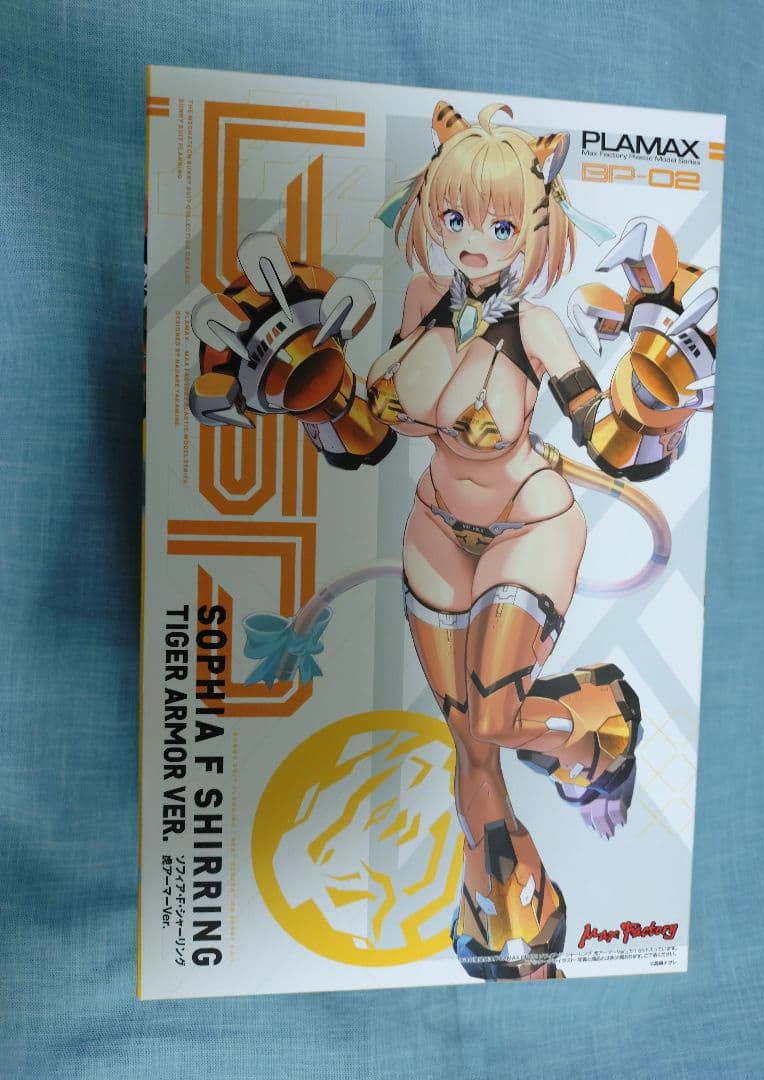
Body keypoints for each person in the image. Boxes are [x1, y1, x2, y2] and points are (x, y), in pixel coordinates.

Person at [189, 100, 717, 981]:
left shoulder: (538, 327)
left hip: (529, 525)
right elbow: (367, 436)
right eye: (457, 217)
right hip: (435, 528)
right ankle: (507, 922)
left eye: (501, 224)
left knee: (496, 719)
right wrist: (308, 392)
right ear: (431, 207)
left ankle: (602, 727)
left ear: (534, 227)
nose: (475, 240)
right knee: (473, 743)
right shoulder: (421, 300)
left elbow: (606, 438)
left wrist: (656, 404)